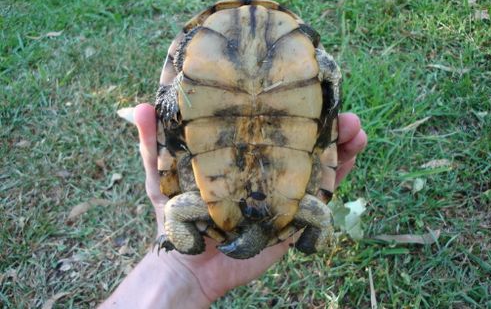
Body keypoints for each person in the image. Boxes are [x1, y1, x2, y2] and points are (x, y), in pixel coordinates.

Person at [100, 103, 367, 308]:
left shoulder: (204, 206)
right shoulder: (292, 209)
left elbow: (176, 209)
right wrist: (179, 267)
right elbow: (319, 214)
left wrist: (178, 264)